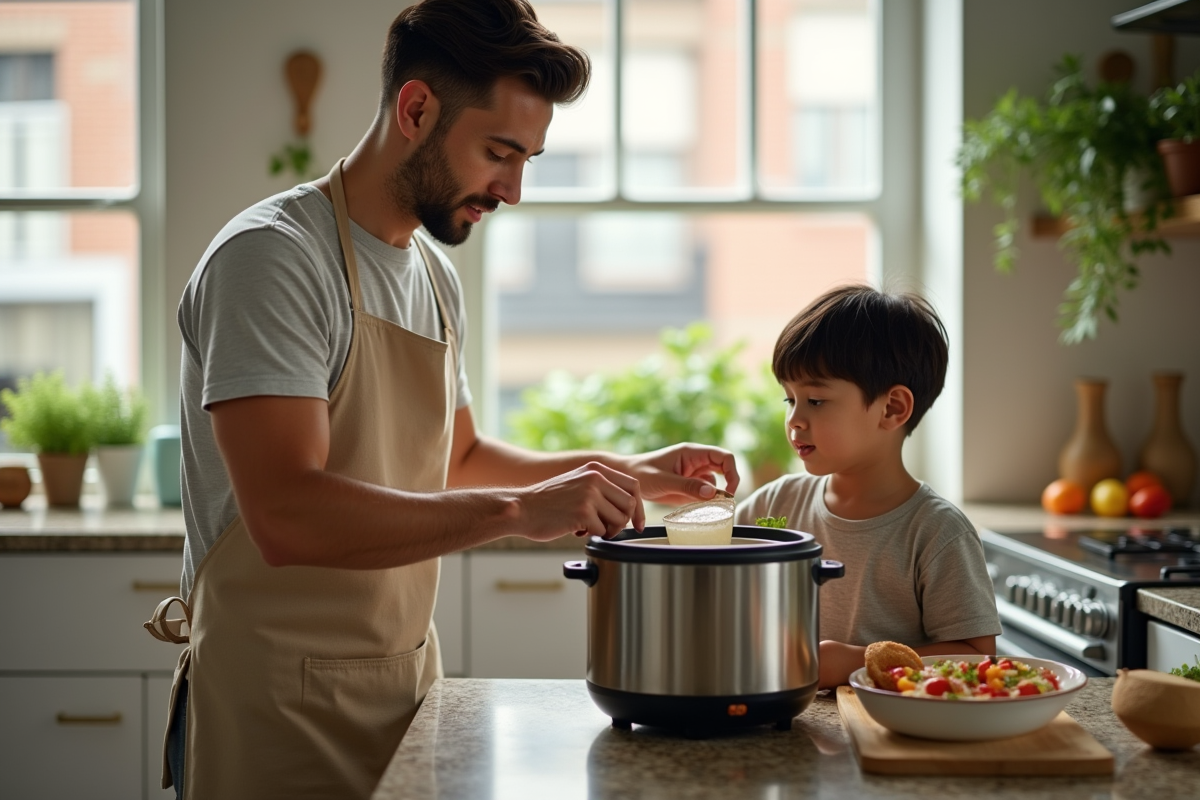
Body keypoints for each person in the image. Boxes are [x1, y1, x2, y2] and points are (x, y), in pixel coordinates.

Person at [144, 2, 739, 798]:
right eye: (499, 152)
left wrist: (624, 471)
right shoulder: (272, 259)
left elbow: (456, 458)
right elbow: (286, 514)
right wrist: (517, 513)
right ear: (417, 109)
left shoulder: (432, 277)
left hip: (404, 695)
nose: (515, 189)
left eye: (527, 158)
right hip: (272, 712)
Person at [734, 284, 1001, 689]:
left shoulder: (937, 532)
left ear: (892, 408)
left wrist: (855, 662)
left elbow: (977, 655)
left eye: (816, 401)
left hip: (890, 730)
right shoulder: (774, 504)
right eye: (789, 399)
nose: (794, 420)